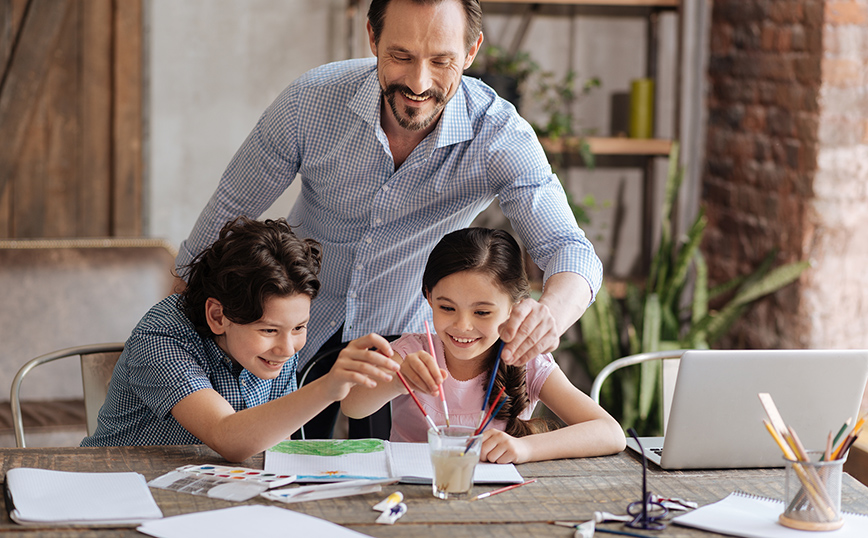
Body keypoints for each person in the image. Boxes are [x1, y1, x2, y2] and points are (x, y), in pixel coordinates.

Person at [176, 0, 603, 439]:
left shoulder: (497, 135)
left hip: (402, 359)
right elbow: (217, 228)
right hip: (292, 337)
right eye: (401, 56)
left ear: (471, 51)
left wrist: (550, 313)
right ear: (373, 38)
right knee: (276, 478)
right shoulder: (311, 102)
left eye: (441, 61)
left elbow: (570, 250)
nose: (419, 82)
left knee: (388, 495)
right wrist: (170, 345)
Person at [81, 217, 399, 462]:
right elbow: (228, 438)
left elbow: (273, 445)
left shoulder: (281, 342)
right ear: (218, 316)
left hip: (216, 487)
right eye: (268, 331)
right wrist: (328, 386)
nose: (287, 349)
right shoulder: (162, 335)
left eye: (300, 327)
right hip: (116, 480)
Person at [342, 228, 625, 463]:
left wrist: (524, 449)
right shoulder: (412, 352)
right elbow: (352, 406)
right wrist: (398, 379)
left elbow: (610, 433)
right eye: (446, 307)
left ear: (515, 307)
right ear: (429, 297)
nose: (462, 326)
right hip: (413, 492)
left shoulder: (528, 361)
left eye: (482, 312)